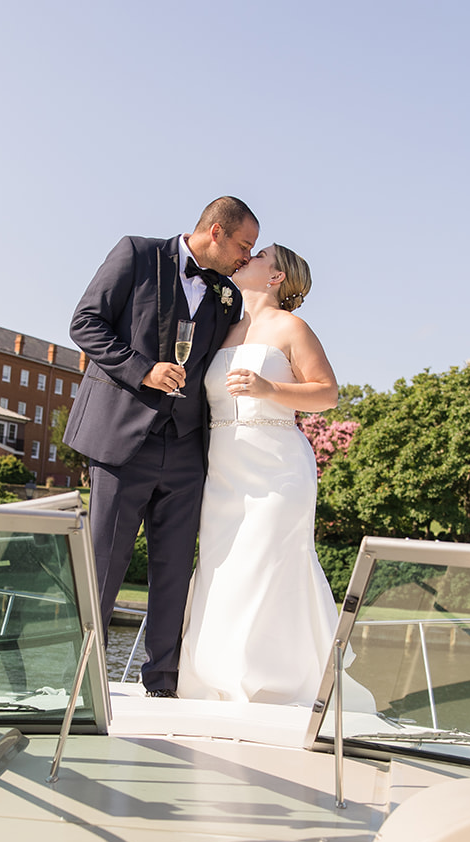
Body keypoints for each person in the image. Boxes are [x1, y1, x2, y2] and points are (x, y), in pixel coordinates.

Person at [64, 197, 258, 697]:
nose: (245, 256)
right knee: (103, 565)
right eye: (243, 245)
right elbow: (85, 323)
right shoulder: (136, 254)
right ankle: (82, 678)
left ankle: (164, 683)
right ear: (216, 231)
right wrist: (142, 369)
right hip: (122, 441)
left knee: (174, 571)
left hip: (189, 449)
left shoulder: (229, 296)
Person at [176, 244, 351, 705]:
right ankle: (214, 680)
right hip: (223, 472)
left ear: (275, 277)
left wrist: (269, 387)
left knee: (268, 566)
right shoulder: (221, 328)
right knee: (224, 570)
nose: (247, 257)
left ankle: (273, 685)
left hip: (277, 472)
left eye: (260, 256)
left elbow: (327, 394)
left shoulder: (292, 328)